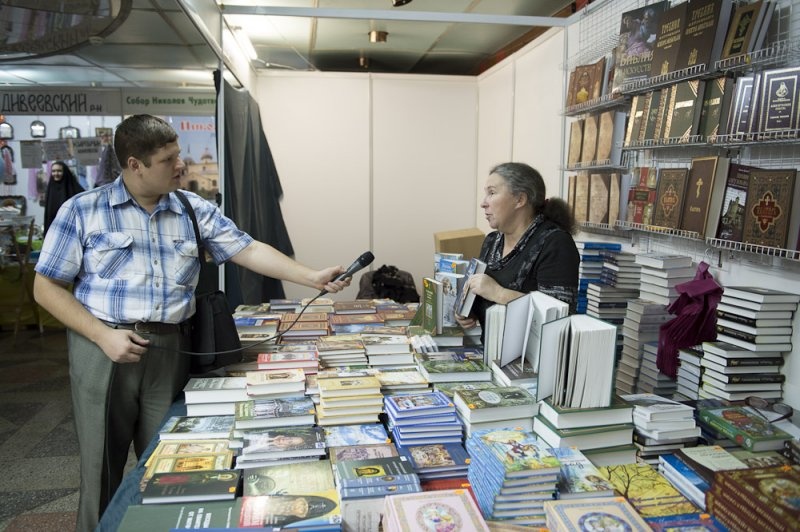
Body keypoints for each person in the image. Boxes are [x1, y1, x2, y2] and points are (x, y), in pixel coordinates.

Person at [32, 114, 350, 532]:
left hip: (171, 349)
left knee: (173, 463)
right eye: (168, 159)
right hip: (103, 349)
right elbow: (46, 288)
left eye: (178, 154)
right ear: (135, 165)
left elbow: (247, 249)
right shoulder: (83, 210)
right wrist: (102, 335)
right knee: (100, 469)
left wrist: (311, 277)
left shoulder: (191, 208)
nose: (179, 165)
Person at [455, 162, 579, 335]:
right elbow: (484, 296)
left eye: (492, 193)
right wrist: (468, 310)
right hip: (490, 349)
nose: (483, 203)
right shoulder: (492, 241)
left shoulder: (555, 243)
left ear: (520, 199)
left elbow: (558, 318)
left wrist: (499, 293)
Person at [43, 160, 84, 234]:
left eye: (59, 171)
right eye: (53, 171)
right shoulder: (51, 188)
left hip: (71, 230)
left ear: (65, 172)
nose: (56, 173)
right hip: (54, 230)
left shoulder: (74, 189)